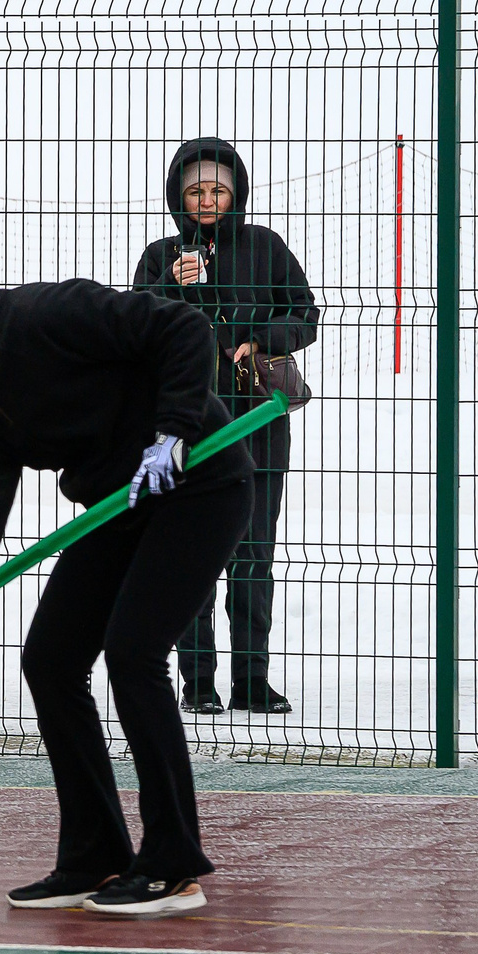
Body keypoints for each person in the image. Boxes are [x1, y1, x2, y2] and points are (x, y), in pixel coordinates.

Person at [0, 247, 253, 919]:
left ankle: (172, 865)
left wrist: (172, 432)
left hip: (197, 480)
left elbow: (181, 329)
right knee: (51, 659)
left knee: (134, 654)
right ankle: (94, 854)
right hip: (120, 501)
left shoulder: (46, 314)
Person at [132, 136, 320, 715]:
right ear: (177, 197)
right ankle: (197, 682)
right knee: (194, 557)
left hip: (259, 424)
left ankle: (252, 681)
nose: (207, 201)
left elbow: (305, 315)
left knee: (254, 553)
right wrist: (173, 286)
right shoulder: (161, 256)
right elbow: (137, 327)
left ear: (236, 193)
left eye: (217, 190)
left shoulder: (265, 248)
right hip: (188, 426)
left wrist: (260, 339)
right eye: (195, 192)